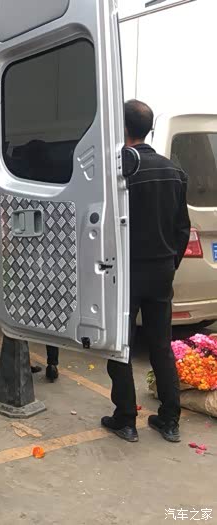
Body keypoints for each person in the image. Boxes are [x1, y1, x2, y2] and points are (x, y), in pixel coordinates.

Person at [102, 100, 190, 443]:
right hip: (162, 271)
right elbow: (182, 228)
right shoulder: (173, 171)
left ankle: (125, 419)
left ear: (123, 128)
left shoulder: (120, 171)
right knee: (161, 346)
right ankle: (169, 420)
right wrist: (170, 263)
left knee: (119, 345)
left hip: (126, 273)